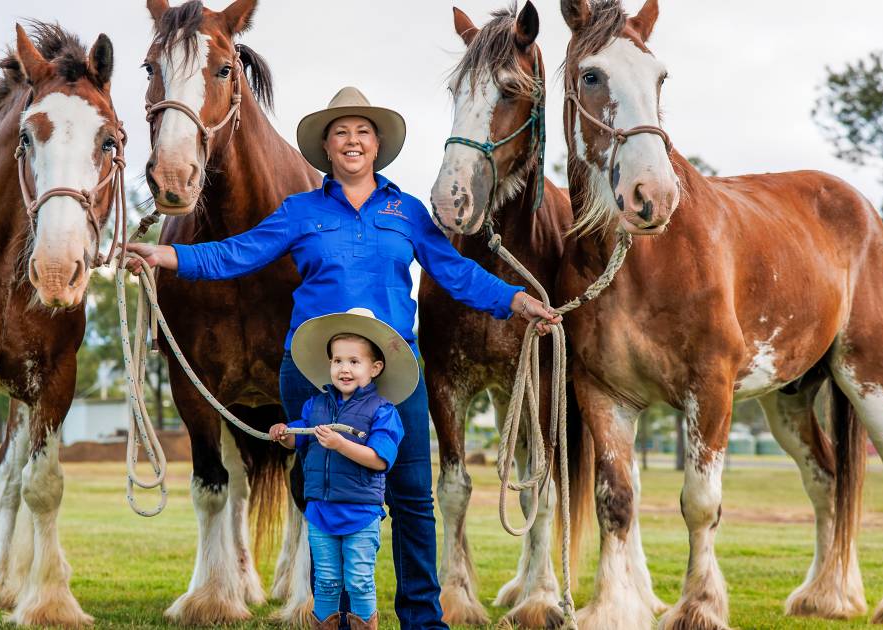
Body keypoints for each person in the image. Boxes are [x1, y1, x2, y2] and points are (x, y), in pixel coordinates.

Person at [126, 86, 560, 628]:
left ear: (377, 145)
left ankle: (422, 618)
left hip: (392, 375)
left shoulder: (408, 213)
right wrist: (166, 255)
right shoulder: (300, 211)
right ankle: (336, 614)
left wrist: (515, 299)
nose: (351, 142)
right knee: (325, 501)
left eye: (362, 132)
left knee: (410, 500)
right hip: (312, 375)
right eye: (340, 134)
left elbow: (455, 272)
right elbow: (236, 253)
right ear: (326, 149)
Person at [269, 308, 419, 630]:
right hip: (321, 512)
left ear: (375, 367)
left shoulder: (383, 412)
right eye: (338, 361)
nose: (344, 369)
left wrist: (341, 445)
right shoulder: (316, 406)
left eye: (354, 361)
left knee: (360, 581)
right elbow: (298, 440)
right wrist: (283, 433)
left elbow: (380, 459)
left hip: (360, 514)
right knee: (325, 582)